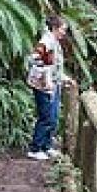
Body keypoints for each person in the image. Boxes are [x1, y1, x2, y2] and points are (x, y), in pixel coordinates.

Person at [27, 15, 69, 160]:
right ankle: (35, 148)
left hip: (54, 84)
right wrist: (47, 79)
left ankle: (47, 146)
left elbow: (54, 64)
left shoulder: (55, 42)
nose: (64, 32)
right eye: (63, 29)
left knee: (54, 116)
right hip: (44, 86)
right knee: (46, 116)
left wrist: (63, 78)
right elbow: (35, 58)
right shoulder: (46, 41)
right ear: (55, 28)